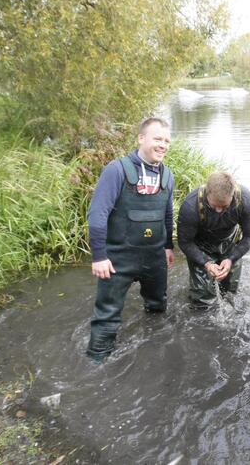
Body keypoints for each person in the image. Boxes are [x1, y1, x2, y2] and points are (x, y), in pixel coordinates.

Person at [86, 117, 175, 362]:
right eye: (158, 138)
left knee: (158, 307)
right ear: (141, 138)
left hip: (155, 258)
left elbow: (167, 214)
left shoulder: (168, 175)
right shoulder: (117, 170)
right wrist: (99, 256)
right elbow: (97, 214)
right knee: (107, 316)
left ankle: (155, 353)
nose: (163, 145)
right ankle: (96, 365)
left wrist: (168, 247)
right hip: (117, 260)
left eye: (167, 141)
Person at [177, 171, 250, 309]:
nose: (219, 211)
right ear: (207, 193)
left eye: (225, 206)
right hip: (200, 245)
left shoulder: (245, 200)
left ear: (232, 196)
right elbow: (185, 242)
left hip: (230, 242)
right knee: (202, 300)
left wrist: (231, 259)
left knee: (230, 294)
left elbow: (249, 237)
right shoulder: (191, 206)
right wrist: (206, 263)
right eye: (214, 206)